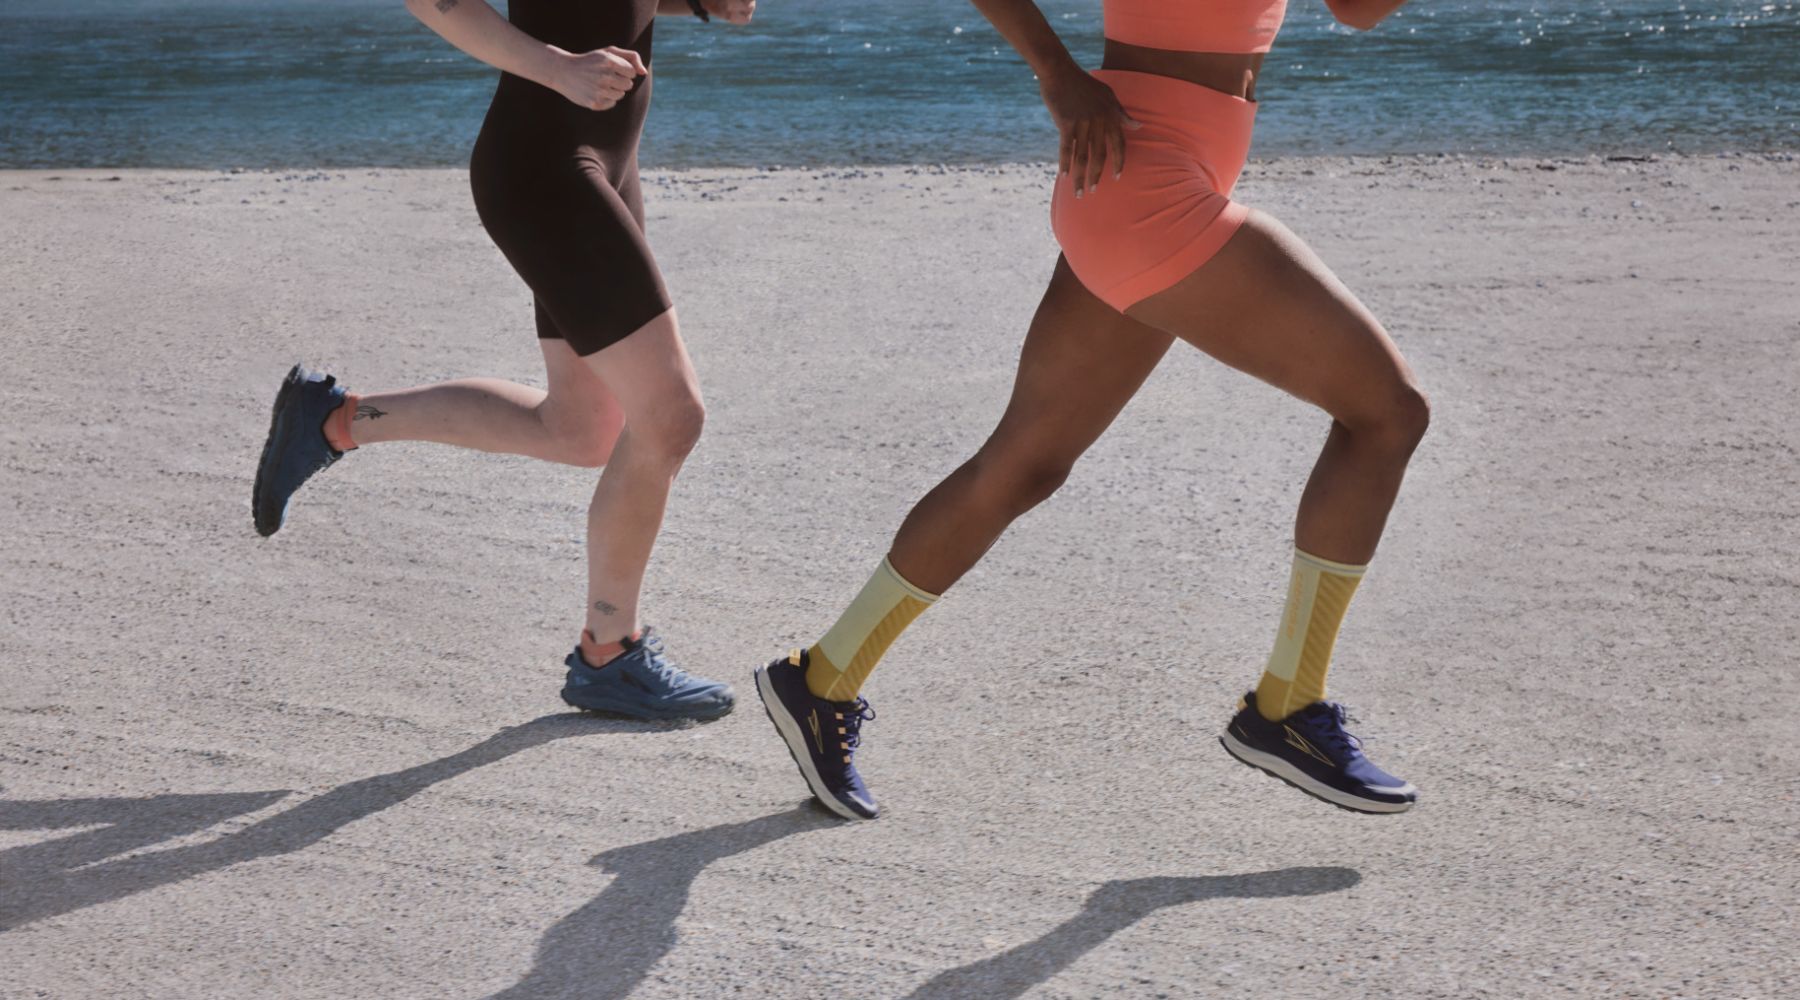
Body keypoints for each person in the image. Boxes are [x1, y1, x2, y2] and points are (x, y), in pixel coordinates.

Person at [755, 0, 1426, 818]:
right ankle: (1287, 705)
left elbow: (1356, 12)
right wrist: (1057, 74)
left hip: (1143, 176)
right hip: (1147, 189)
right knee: (1387, 414)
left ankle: (823, 678)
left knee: (1023, 466)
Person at [252, 0, 757, 722]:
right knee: (669, 416)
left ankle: (333, 421)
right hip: (548, 171)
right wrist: (558, 67)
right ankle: (609, 654)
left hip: (601, 162)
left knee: (581, 428)